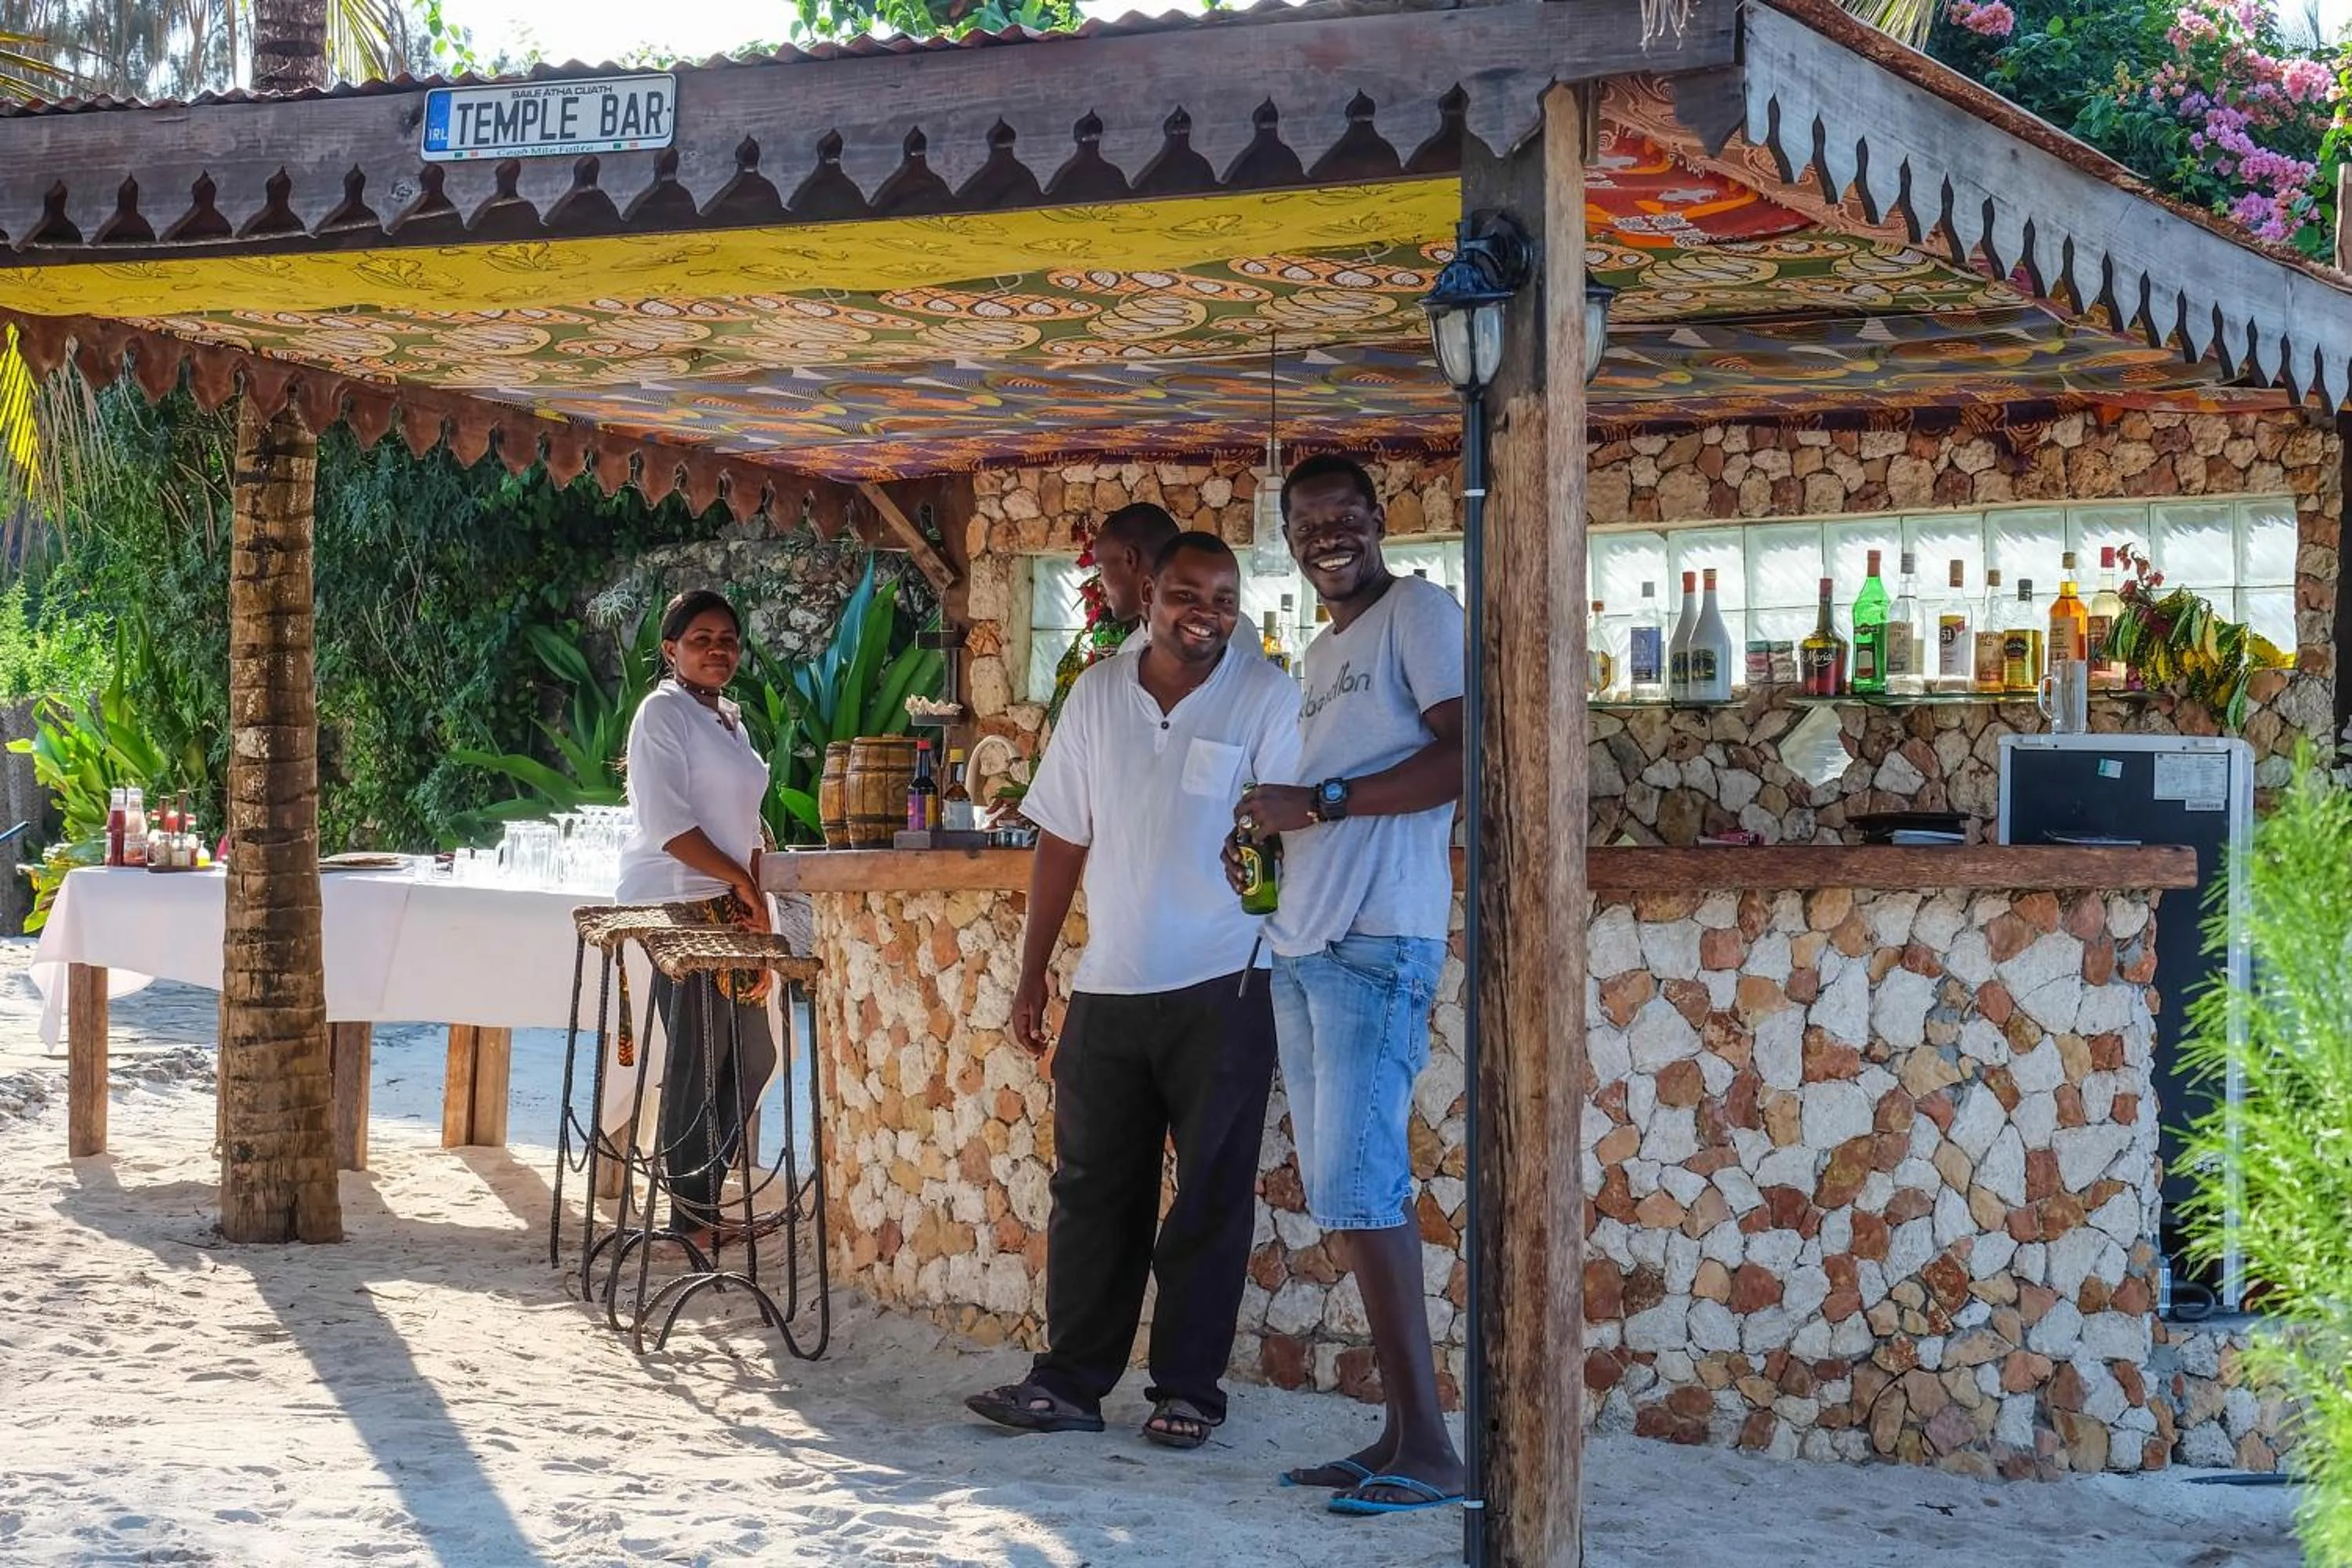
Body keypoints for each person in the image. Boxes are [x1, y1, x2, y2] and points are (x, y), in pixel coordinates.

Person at [967, 532, 1300, 1450]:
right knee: (1090, 1189)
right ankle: (1069, 1380)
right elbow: (1062, 838)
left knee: (1211, 1196)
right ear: (1150, 593)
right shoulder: (1097, 693)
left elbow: (1283, 827)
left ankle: (1188, 1389)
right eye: (1190, 593)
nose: (1209, 613)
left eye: (1226, 598)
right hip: (1109, 981)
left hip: (1227, 982)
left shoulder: (1267, 694)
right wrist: (1034, 971)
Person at [1229, 454, 1466, 1518]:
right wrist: (1270, 828)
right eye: (1306, 522)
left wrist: (1318, 800)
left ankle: (1431, 1448)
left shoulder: (1417, 610)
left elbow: (1469, 759)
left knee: (1366, 1186)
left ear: (1378, 519)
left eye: (1342, 516)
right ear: (1289, 539)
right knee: (1343, 1191)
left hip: (1378, 941)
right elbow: (1325, 797)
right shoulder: (1325, 650)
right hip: (1308, 943)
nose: (1327, 534)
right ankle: (1398, 1432)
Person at [614, 588, 779, 1250]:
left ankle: (699, 1202)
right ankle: (690, 1217)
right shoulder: (663, 714)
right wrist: (741, 880)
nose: (718, 649)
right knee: (698, 1054)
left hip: (730, 899)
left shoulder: (729, 720)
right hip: (677, 895)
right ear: (671, 650)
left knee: (753, 1052)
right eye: (702, 638)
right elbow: (668, 824)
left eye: (729, 640)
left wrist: (756, 882)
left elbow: (745, 820)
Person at [1093, 502, 1181, 630]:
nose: (1100, 584)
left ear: (1130, 558)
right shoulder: (1132, 647)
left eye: (1101, 568)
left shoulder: (1203, 646)